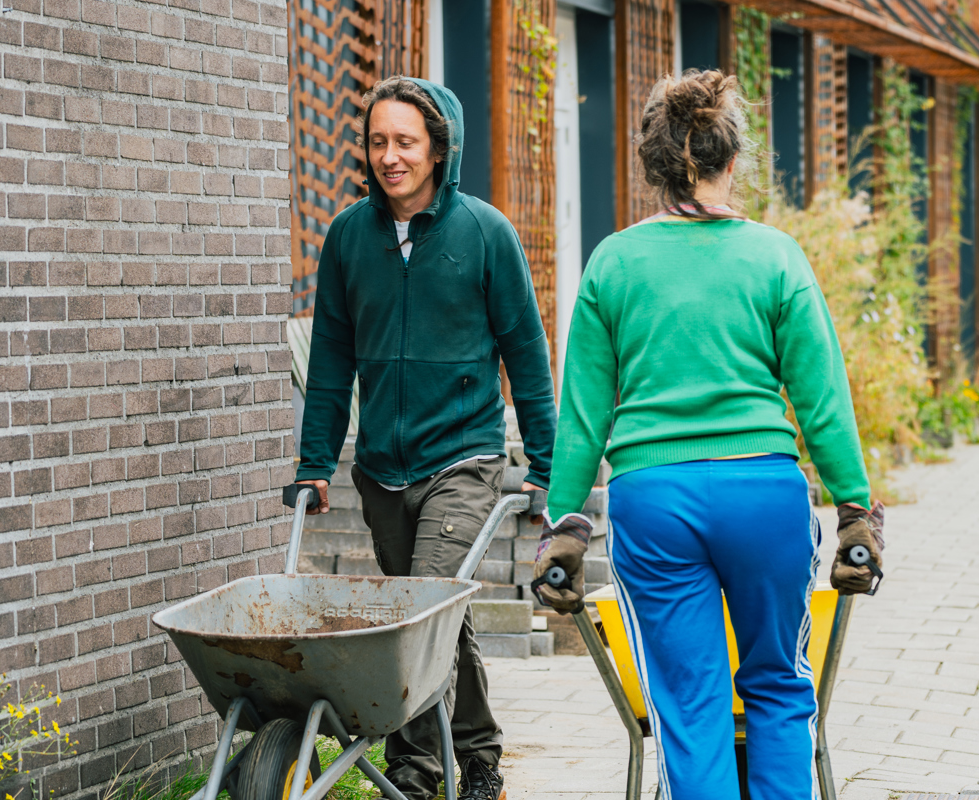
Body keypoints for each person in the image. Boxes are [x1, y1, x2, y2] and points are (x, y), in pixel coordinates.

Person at [527, 70, 884, 800]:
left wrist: (564, 522)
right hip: (763, 492)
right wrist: (855, 509)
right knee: (780, 685)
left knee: (691, 708)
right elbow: (821, 399)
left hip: (654, 501)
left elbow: (585, 412)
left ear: (653, 165)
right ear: (733, 157)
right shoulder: (775, 256)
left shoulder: (614, 261)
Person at [292, 76, 557, 800]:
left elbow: (526, 354)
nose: (390, 156)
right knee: (438, 616)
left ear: (439, 148)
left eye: (405, 141)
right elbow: (332, 361)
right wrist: (315, 461)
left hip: (462, 458)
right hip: (382, 469)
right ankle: (480, 760)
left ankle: (418, 771)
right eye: (378, 141)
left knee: (422, 606)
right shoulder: (349, 236)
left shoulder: (484, 233)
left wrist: (547, 463)